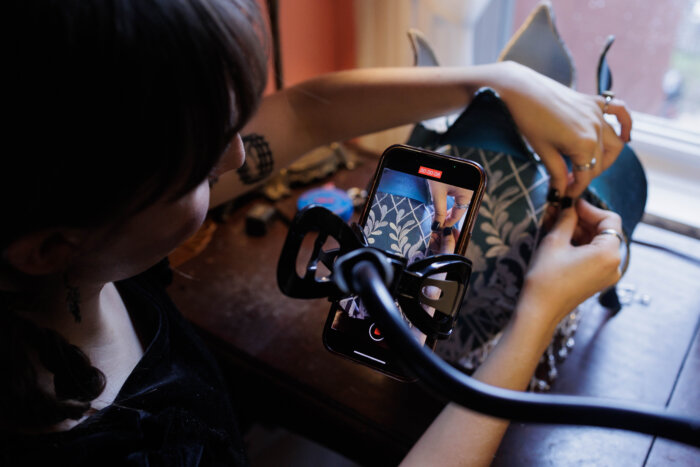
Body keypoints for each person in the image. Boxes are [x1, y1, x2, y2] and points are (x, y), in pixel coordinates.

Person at [1, 0, 630, 465]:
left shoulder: (83, 235)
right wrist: (535, 319)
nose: (240, 161)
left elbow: (300, 114)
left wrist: (498, 79)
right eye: (201, 165)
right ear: (54, 245)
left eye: (234, 125)